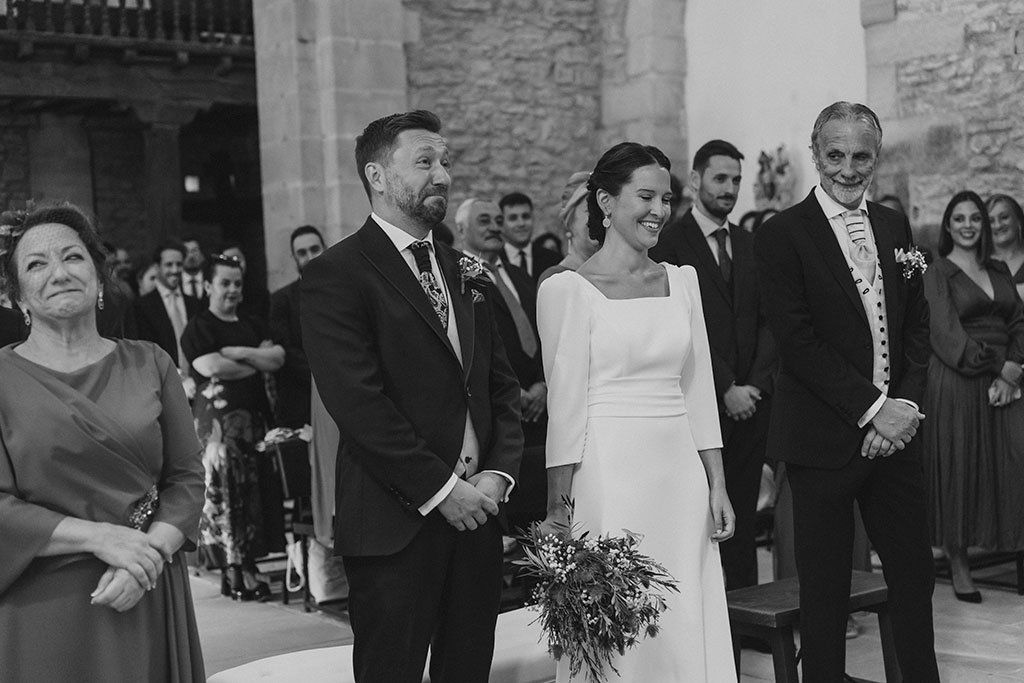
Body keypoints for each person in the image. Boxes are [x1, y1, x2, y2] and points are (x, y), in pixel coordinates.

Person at [300, 110, 523, 683]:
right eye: (424, 162)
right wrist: (443, 490)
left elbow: (499, 387)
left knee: (468, 670)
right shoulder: (338, 273)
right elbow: (359, 404)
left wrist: (497, 476)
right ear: (377, 176)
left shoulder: (464, 270)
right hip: (395, 521)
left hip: (478, 515)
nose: (442, 175)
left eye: (446, 162)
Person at [754, 101, 939, 682]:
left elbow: (914, 326)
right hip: (823, 441)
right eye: (835, 154)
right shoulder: (782, 234)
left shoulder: (893, 225)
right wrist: (874, 410)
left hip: (896, 438)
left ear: (876, 157)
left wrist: (902, 410)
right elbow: (798, 342)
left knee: (912, 577)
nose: (848, 168)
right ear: (815, 154)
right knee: (826, 591)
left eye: (861, 155)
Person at [539, 142, 736, 682]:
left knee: (683, 614)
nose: (658, 210)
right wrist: (560, 512)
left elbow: (698, 392)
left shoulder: (685, 280)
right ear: (605, 201)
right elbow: (565, 410)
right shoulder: (567, 290)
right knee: (620, 624)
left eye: (666, 198)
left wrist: (716, 483)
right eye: (645, 196)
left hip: (681, 479)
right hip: (609, 476)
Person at [0, 203, 205, 682]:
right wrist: (104, 539)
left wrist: (146, 557)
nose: (58, 272)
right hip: (42, 600)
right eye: (36, 263)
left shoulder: (151, 363)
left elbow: (186, 478)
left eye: (72, 257)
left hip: (146, 586)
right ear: (16, 298)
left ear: (98, 277)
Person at [649, 139, 776, 594]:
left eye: (736, 181)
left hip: (751, 407)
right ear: (698, 179)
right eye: (720, 179)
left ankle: (745, 619)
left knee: (741, 514)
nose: (729, 189)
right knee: (697, 519)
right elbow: (681, 325)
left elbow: (768, 320)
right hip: (696, 403)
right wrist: (726, 386)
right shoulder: (669, 242)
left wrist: (755, 386)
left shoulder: (748, 242)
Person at [922, 190, 1024, 602]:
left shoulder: (998, 268)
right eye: (959, 219)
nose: (968, 225)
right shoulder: (938, 271)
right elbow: (946, 335)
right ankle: (959, 562)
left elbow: (1019, 320)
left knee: (1011, 464)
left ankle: (1010, 545)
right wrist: (998, 367)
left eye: (975, 219)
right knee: (961, 468)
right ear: (948, 226)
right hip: (958, 379)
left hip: (1005, 379)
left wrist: (1014, 370)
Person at [181, 254, 285, 601]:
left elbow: (277, 358)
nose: (232, 289)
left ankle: (249, 567)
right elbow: (211, 365)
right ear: (209, 285)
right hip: (218, 430)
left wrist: (238, 351)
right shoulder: (199, 327)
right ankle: (233, 570)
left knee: (255, 494)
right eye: (225, 283)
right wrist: (254, 360)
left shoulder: (253, 325)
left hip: (254, 422)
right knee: (226, 497)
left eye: (237, 283)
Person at [456, 198, 546, 532]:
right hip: (498, 412)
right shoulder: (457, 280)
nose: (495, 227)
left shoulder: (522, 278)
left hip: (539, 410)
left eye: (497, 220)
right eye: (484, 221)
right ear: (462, 228)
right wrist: (515, 392)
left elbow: (545, 334)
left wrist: (542, 385)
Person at [269, 225, 326, 428]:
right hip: (302, 403)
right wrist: (326, 376)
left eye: (314, 249)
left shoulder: (347, 291)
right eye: (302, 253)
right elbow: (285, 349)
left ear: (325, 248)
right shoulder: (281, 300)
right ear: (294, 258)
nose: (310, 256)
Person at [134, 240, 202, 397]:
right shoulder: (142, 306)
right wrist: (177, 377)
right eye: (169, 265)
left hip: (196, 386)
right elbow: (145, 349)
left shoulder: (195, 303)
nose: (175, 270)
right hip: (162, 386)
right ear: (158, 267)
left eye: (179, 264)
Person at [539, 171, 600, 284]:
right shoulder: (555, 279)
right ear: (570, 221)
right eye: (590, 211)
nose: (598, 218)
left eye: (602, 211)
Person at [499, 191, 562, 281]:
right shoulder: (494, 261)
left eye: (525, 216)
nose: (521, 223)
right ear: (501, 223)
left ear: (533, 218)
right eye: (513, 218)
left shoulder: (554, 260)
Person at [987, 193, 1024, 299]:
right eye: (991, 221)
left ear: (1018, 220)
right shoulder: (978, 263)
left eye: (1004, 217)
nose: (998, 225)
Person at [181, 236, 207, 302]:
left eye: (194, 251)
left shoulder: (211, 279)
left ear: (202, 254)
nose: (190, 256)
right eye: (186, 251)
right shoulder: (175, 282)